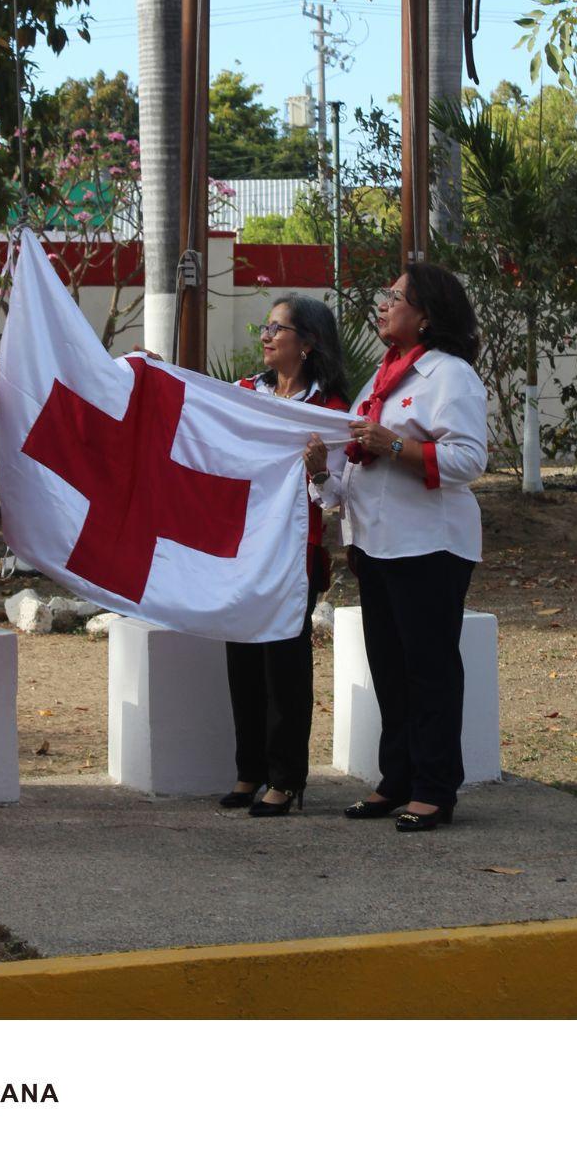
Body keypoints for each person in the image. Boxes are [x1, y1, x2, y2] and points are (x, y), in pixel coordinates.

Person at [305, 264, 487, 832]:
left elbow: (469, 461)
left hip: (429, 545)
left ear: (427, 314)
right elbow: (354, 480)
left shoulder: (450, 375)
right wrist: (321, 474)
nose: (382, 304)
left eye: (395, 296)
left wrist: (395, 445)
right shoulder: (381, 379)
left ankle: (435, 788)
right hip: (375, 544)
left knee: (429, 669)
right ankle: (397, 779)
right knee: (390, 667)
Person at [220, 294, 349, 817]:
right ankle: (249, 771)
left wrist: (319, 472)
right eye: (266, 327)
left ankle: (285, 778)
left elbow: (334, 498)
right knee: (242, 661)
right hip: (244, 550)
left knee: (284, 668)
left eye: (278, 328)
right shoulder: (245, 393)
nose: (267, 336)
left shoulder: (330, 412)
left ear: (308, 343)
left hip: (295, 555)